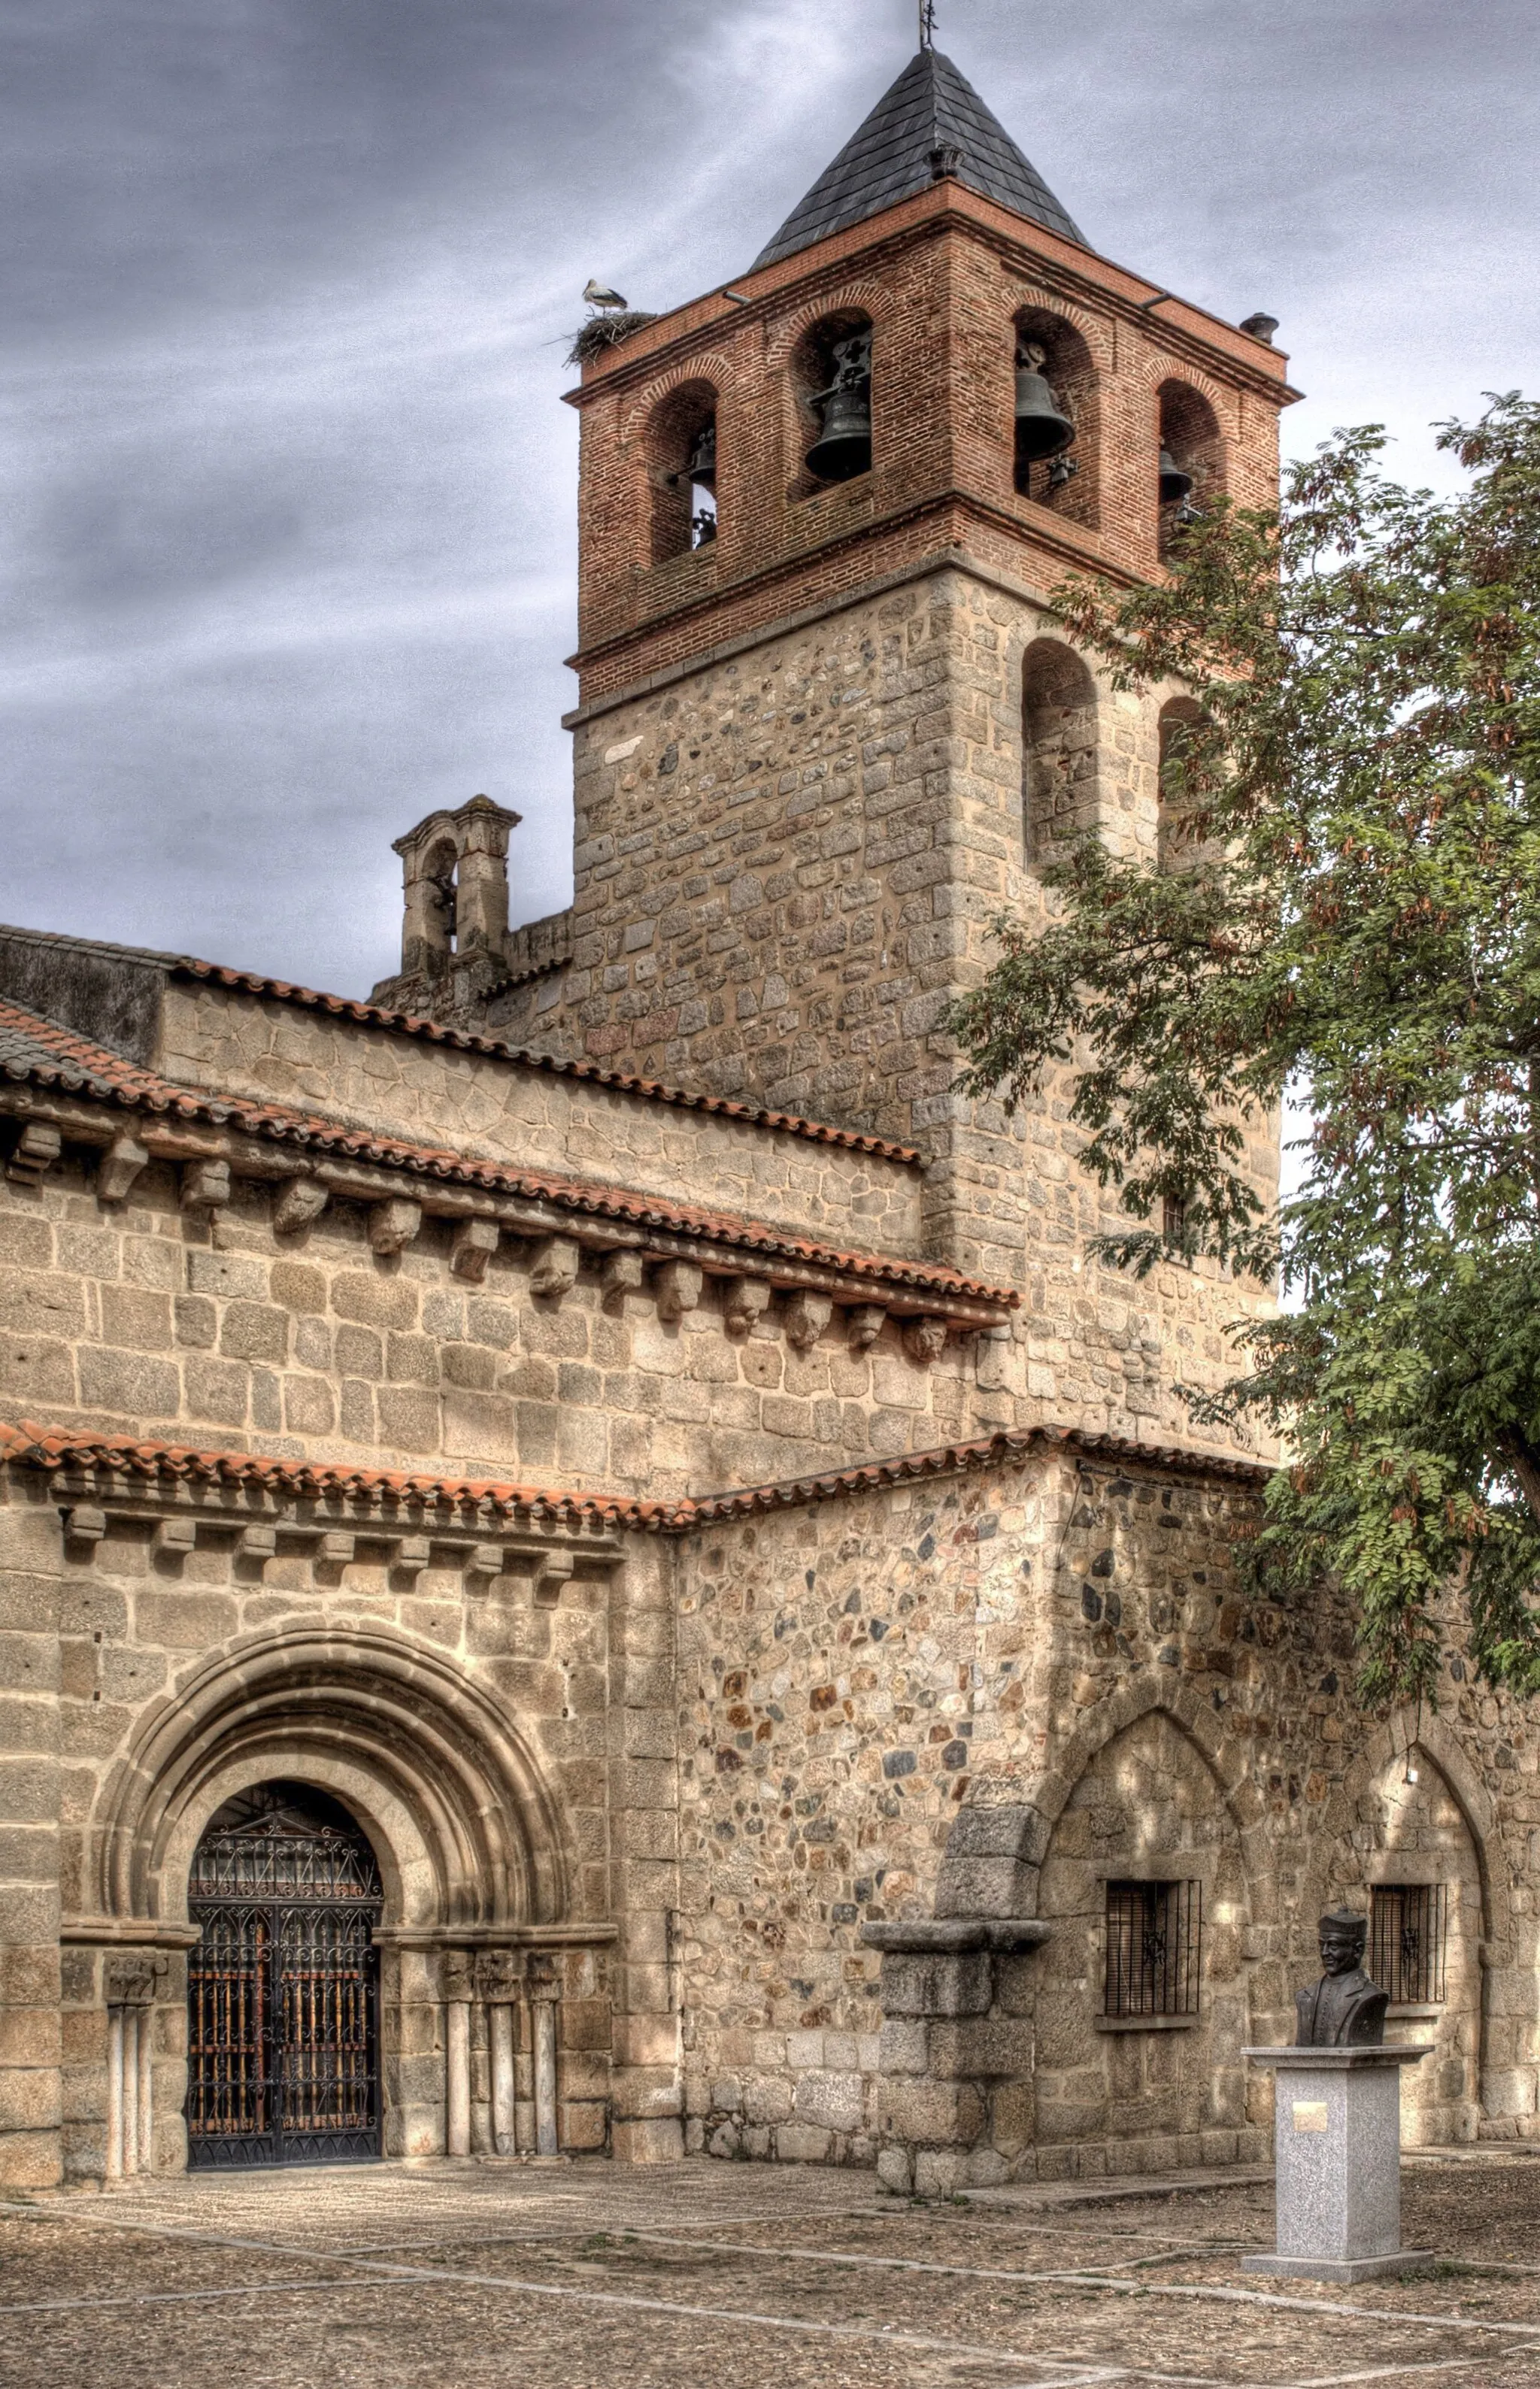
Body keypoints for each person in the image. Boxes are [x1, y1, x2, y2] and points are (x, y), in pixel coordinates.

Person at [1293, 1908, 1389, 2046]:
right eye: (1322, 1945)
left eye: (1333, 1945)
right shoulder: (1306, 1996)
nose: (1325, 1953)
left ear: (1357, 1950)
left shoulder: (1372, 1996)